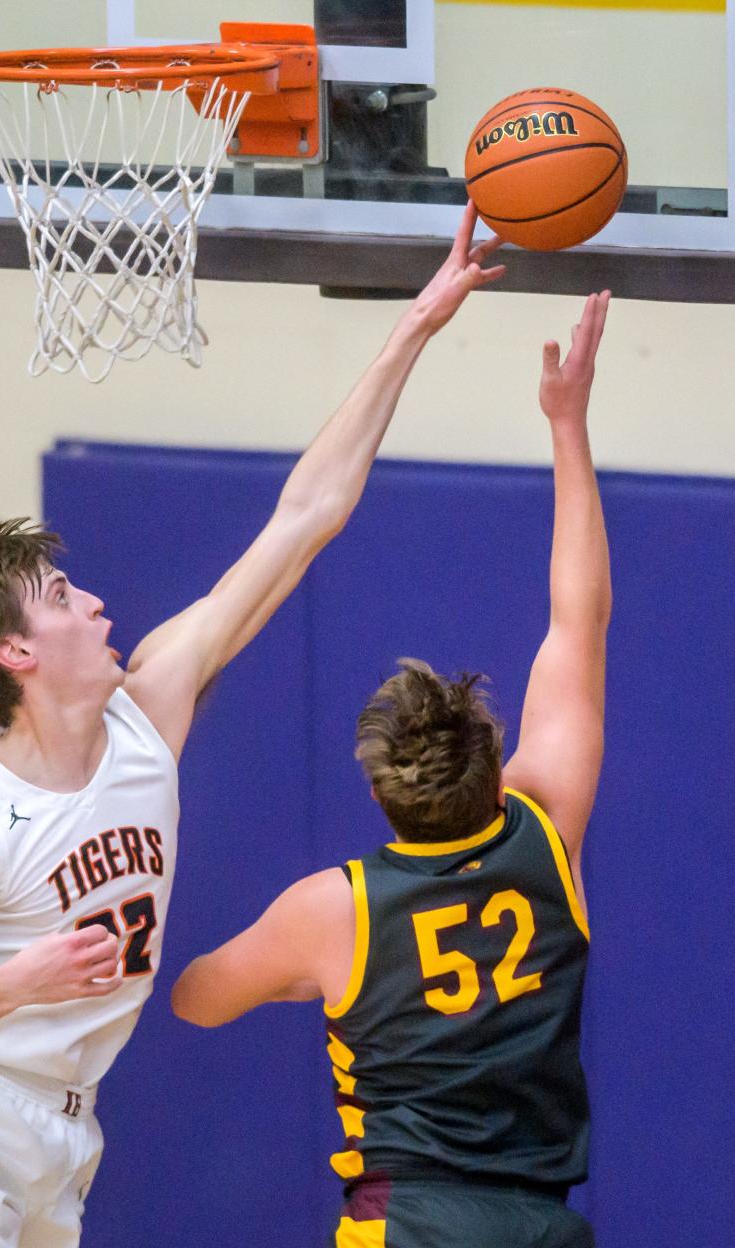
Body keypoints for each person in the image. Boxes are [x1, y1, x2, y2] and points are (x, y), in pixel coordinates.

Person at [0, 206, 504, 1248]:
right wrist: (11, 984)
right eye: (60, 595)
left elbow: (302, 518)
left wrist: (417, 322)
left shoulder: (148, 708)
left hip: (69, 1134)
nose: (92, 602)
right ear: (16, 654)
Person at [171, 291, 612, 1248]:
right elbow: (580, 618)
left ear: (377, 796)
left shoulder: (331, 911)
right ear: (500, 775)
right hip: (543, 1227)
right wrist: (568, 425)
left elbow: (196, 1000)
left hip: (405, 1222)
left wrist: (304, 977)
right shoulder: (546, 830)